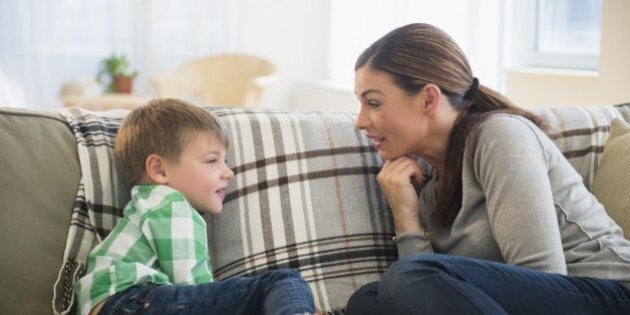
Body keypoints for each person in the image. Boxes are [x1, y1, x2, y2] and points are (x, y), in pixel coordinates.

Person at [346, 23, 630, 315]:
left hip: (610, 295)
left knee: (409, 278)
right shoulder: (427, 183)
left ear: (428, 99)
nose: (360, 121)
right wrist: (407, 217)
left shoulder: (500, 135)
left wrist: (414, 278)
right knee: (368, 301)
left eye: (374, 103)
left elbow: (541, 278)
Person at [75, 98, 317, 315]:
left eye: (225, 161)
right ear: (160, 170)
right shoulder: (170, 204)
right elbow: (193, 285)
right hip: (129, 301)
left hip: (119, 304)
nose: (228, 172)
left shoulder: (147, 204)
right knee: (283, 281)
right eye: (212, 161)